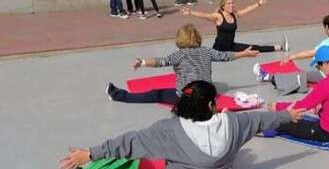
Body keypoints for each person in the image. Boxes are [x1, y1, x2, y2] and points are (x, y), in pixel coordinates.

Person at [25, 80, 303, 169]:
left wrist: (90, 154)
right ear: (210, 105)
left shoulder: (169, 131)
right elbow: (264, 118)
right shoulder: (236, 123)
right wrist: (289, 115)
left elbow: (128, 142)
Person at [105, 24, 260, 104]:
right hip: (207, 96)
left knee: (154, 94)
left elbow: (161, 62)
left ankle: (117, 95)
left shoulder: (180, 54)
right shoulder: (206, 51)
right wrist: (244, 53)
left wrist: (143, 62)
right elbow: (226, 56)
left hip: (186, 97)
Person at [268, 46, 329, 142]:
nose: (319, 70)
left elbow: (304, 105)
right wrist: (320, 109)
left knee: (284, 123)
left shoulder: (326, 83)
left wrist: (277, 106)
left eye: (319, 66)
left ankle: (266, 129)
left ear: (325, 64)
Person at [183, 0, 288, 53]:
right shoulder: (218, 16)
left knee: (253, 48)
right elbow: (205, 15)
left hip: (231, 46)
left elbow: (247, 9)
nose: (231, 5)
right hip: (219, 50)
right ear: (223, 6)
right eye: (229, 3)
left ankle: (279, 47)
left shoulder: (234, 14)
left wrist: (259, 3)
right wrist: (190, 12)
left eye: (233, 3)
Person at [271, 14, 329, 83]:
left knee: (300, 76)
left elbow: (310, 53)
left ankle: (268, 77)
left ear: (327, 27)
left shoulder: (328, 42)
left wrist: (290, 57)